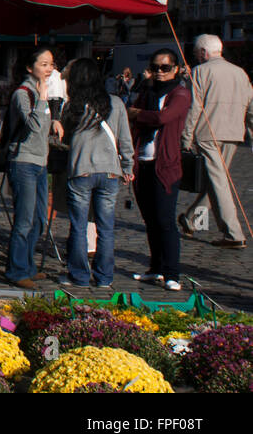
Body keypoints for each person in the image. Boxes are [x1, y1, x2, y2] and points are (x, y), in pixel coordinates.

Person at [58, 58, 134, 288]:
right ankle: (104, 277)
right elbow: (125, 139)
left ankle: (79, 276)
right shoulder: (116, 103)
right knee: (106, 227)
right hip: (110, 171)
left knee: (79, 226)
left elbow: (66, 139)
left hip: (81, 170)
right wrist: (128, 167)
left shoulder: (72, 106)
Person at [179, 34, 251, 249]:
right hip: (234, 133)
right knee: (215, 180)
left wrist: (186, 136)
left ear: (203, 52)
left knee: (218, 182)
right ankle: (191, 219)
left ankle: (234, 233)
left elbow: (195, 108)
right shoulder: (240, 72)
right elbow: (252, 105)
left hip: (208, 134)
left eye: (196, 54)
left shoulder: (201, 71)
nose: (196, 58)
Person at [128, 48, 190, 289]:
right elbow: (129, 112)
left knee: (165, 220)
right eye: (155, 68)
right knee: (150, 220)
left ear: (175, 69)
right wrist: (141, 112)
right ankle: (155, 268)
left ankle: (172, 273)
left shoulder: (180, 93)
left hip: (166, 165)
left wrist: (138, 114)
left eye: (165, 68)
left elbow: (164, 118)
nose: (160, 72)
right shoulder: (147, 91)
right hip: (143, 161)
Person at [4, 48, 64, 288]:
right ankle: (17, 272)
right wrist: (42, 99)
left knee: (39, 219)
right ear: (31, 68)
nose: (49, 69)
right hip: (23, 162)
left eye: (51, 64)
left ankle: (28, 266)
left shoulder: (43, 93)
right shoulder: (23, 94)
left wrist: (55, 118)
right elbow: (34, 126)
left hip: (40, 162)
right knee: (25, 220)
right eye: (44, 64)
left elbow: (43, 126)